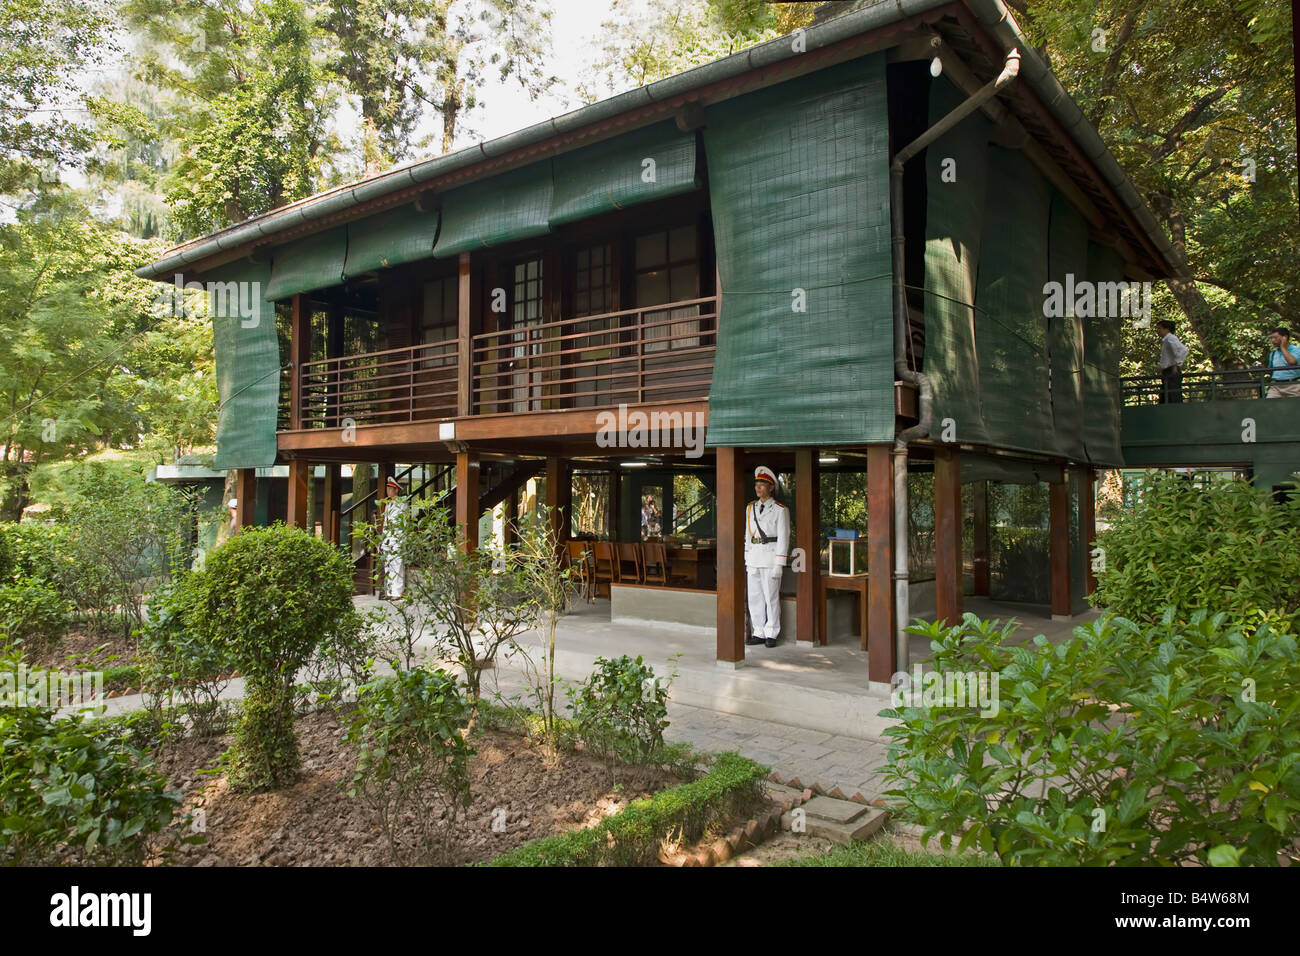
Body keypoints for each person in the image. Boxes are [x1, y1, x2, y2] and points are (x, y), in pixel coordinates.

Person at [744, 465, 789, 648]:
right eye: (757, 484)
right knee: (754, 597)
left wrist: (780, 563)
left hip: (770, 557)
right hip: (754, 557)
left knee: (771, 597)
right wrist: (747, 559)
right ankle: (758, 631)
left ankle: (771, 632)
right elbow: (748, 535)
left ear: (771, 487)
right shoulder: (750, 508)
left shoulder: (780, 509)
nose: (758, 487)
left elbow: (783, 537)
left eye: (762, 484)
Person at [379, 476, 409, 600]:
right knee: (389, 565)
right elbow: (385, 524)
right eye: (387, 488)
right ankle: (390, 591)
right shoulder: (388, 505)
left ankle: (398, 592)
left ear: (396, 490)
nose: (388, 491)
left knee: (397, 565)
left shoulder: (402, 504)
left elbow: (403, 523)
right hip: (388, 539)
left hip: (397, 538)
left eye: (390, 488)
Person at [1156, 320, 1188, 403]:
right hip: (1168, 371)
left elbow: (1182, 350)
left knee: (1172, 396)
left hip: (1171, 371)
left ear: (1167, 329)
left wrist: (1175, 365)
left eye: (1160, 328)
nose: (1158, 331)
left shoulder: (1170, 338)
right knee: (1166, 396)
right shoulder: (1166, 340)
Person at [1266, 326, 1300, 398]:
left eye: (1275, 338)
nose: (1273, 340)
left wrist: (1283, 347)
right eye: (1272, 338)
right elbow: (1270, 371)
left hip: (1293, 386)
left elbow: (1292, 361)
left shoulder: (1296, 350)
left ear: (1285, 337)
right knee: (1269, 406)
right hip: (1276, 386)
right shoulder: (1273, 354)